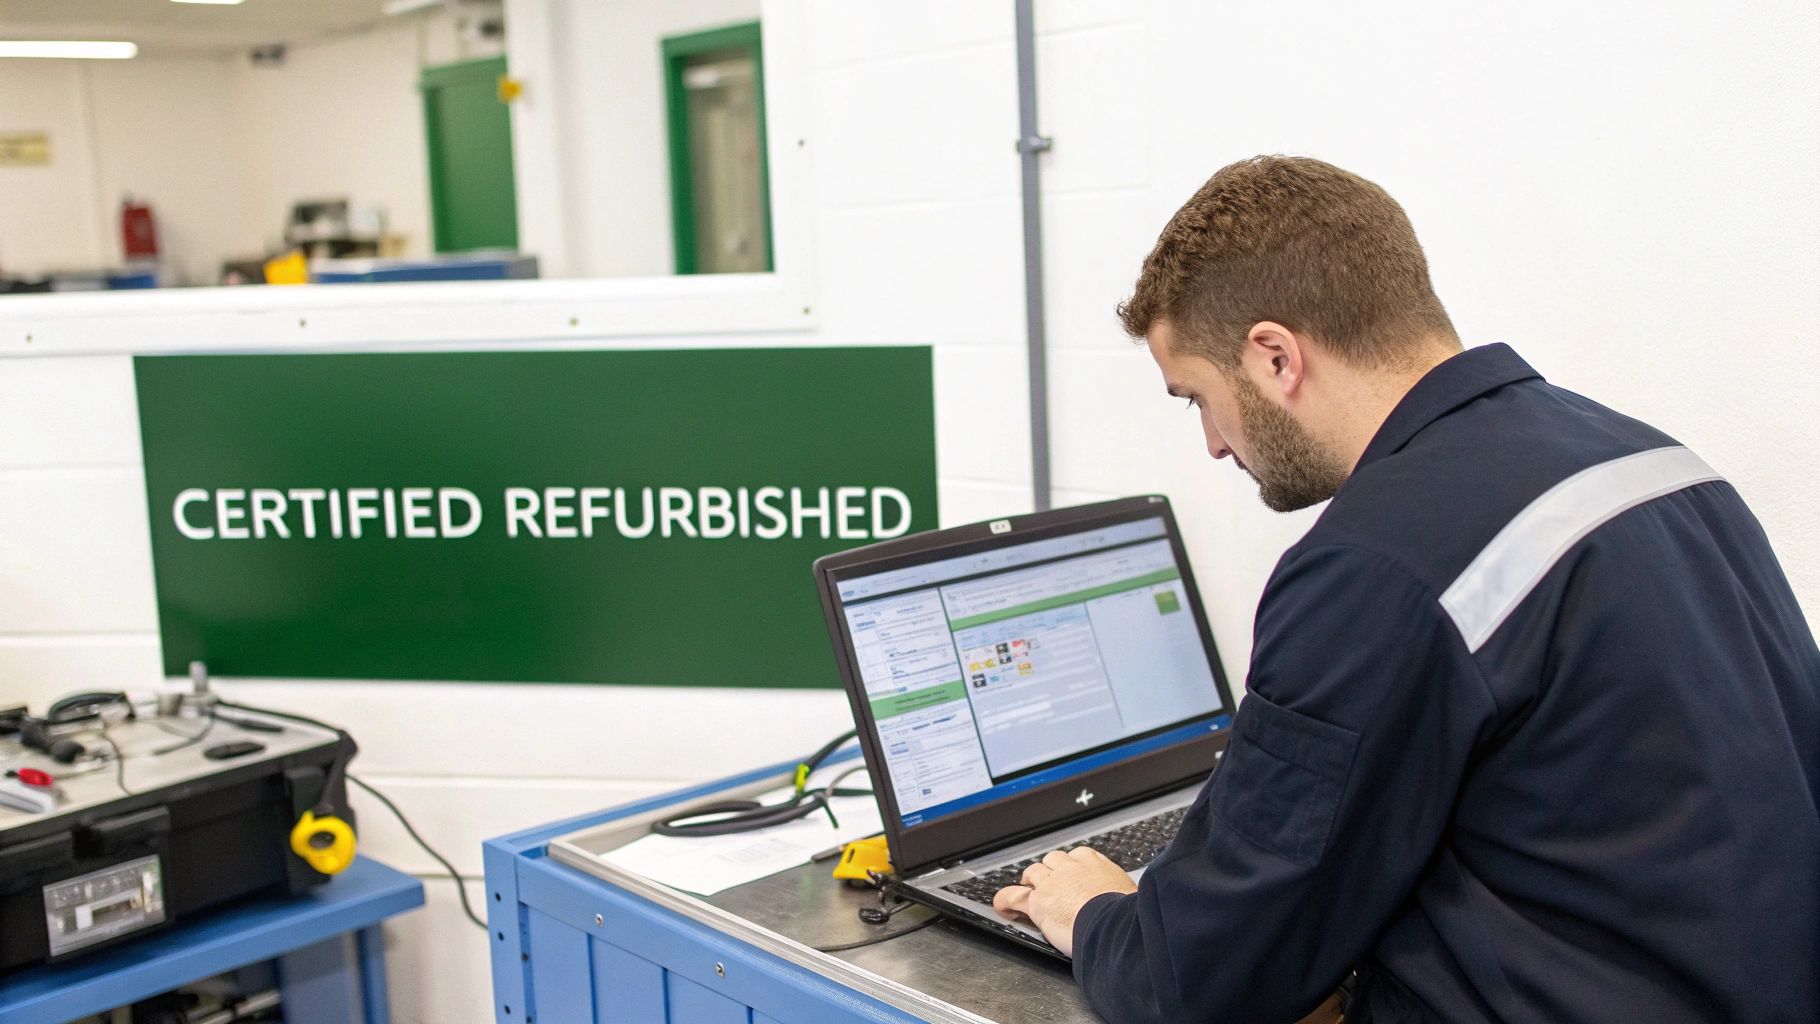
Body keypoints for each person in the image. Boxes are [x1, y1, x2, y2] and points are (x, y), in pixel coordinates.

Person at [991, 156, 1820, 1023]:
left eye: (1196, 397)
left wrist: (1091, 912)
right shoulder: (1647, 461)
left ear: (1275, 357)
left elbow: (1198, 985)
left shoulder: (1377, 562)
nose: (1212, 444)